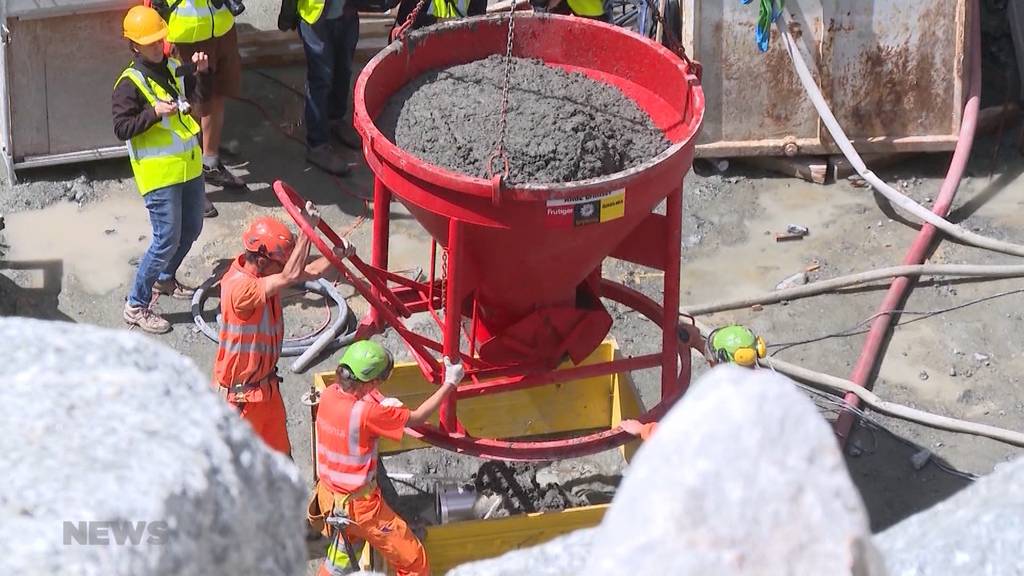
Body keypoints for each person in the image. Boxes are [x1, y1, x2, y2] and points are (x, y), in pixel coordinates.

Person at [311, 341, 464, 575]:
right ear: (371, 382)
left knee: (340, 560)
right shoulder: (367, 414)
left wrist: (380, 403)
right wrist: (450, 383)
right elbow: (418, 417)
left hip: (330, 500)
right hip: (361, 508)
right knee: (413, 561)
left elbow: (358, 402)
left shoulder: (330, 395)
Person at [212, 204, 354, 454]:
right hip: (240, 400)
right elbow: (291, 275)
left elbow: (304, 272)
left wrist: (336, 254)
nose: (288, 267)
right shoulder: (240, 289)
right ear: (263, 259)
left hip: (266, 390)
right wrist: (306, 228)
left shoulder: (264, 275)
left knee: (281, 458)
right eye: (283, 262)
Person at [114, 6, 209, 334]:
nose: (159, 45)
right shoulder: (129, 84)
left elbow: (193, 103)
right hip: (159, 175)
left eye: (160, 39)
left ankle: (165, 280)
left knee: (192, 228)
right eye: (152, 42)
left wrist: (198, 74)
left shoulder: (171, 67)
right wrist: (153, 113)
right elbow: (122, 128)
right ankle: (136, 305)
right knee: (165, 239)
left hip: (187, 166)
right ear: (135, 46)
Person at [158, 0, 248, 200]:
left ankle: (210, 163)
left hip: (222, 27)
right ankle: (191, 185)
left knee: (216, 94)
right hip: (188, 34)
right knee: (190, 106)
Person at [293, 0, 364, 175]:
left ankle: (335, 119)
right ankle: (317, 145)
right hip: (317, 17)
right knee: (321, 78)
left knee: (344, 70)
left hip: (347, 13)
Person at [391, 0, 487, 39]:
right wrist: (438, 21)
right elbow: (405, 18)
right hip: (422, 42)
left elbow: (478, 23)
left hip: (460, 41)